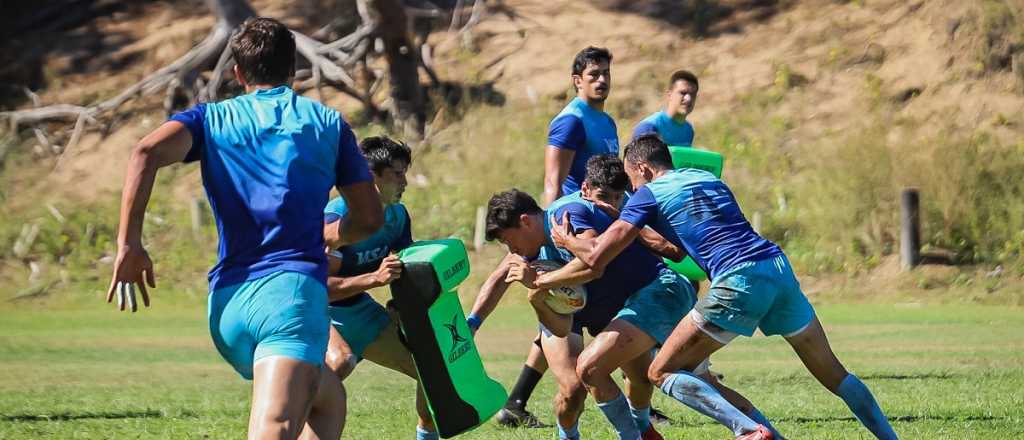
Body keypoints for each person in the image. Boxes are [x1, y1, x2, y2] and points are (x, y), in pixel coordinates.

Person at [106, 17, 384, 439]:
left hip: (228, 307)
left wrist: (129, 245)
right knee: (274, 428)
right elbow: (368, 219)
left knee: (328, 399)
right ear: (294, 69)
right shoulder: (327, 123)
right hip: (289, 303)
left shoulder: (210, 120)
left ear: (237, 73)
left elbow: (144, 153)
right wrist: (336, 234)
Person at [551, 134, 899, 440]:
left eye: (631, 182)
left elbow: (596, 256)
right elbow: (674, 248)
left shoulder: (649, 195)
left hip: (738, 280)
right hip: (776, 267)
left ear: (642, 168)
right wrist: (621, 219)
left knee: (662, 370)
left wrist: (566, 241)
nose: (630, 193)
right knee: (834, 373)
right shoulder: (707, 179)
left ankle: (747, 430)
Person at [473, 157, 776, 440]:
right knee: (574, 387)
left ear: (525, 222)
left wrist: (541, 280)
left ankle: (739, 430)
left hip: (639, 297)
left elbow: (593, 261)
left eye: (506, 239)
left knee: (649, 378)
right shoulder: (527, 253)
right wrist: (527, 299)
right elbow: (556, 321)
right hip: (589, 307)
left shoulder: (567, 214)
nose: (508, 249)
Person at [489, 46, 623, 429]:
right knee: (568, 311)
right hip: (572, 232)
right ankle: (638, 392)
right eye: (593, 73)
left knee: (561, 316)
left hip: (593, 227)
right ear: (576, 80)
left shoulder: (607, 121)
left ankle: (516, 401)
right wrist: (554, 232)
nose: (601, 79)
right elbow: (553, 179)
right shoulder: (571, 121)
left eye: (606, 73)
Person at [319, 136, 438, 440]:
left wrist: (406, 304)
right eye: (397, 174)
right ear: (372, 175)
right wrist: (375, 278)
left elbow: (402, 274)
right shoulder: (336, 219)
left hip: (360, 311)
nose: (405, 182)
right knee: (339, 362)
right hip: (317, 312)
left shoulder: (397, 217)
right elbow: (319, 289)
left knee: (431, 368)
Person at [632, 70, 699, 146]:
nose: (688, 98)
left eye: (693, 94)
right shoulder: (648, 128)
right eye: (683, 93)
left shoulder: (688, 131)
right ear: (669, 95)